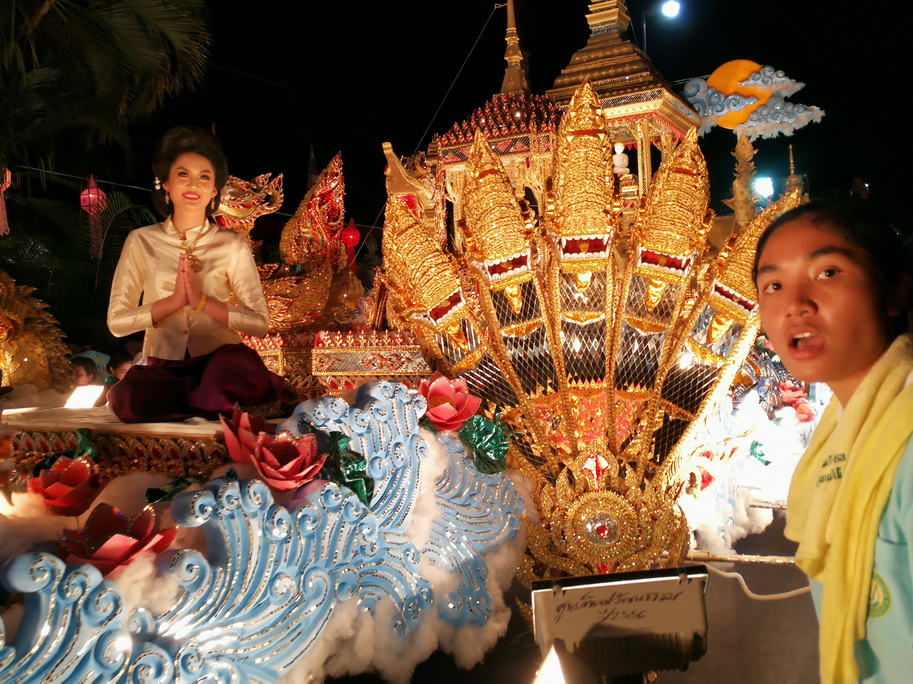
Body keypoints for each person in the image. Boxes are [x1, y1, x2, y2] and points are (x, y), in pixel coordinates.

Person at [753, 199, 913, 684]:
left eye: (827, 272)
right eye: (773, 285)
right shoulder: (840, 433)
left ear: (895, 291)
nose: (795, 303)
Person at [107, 125, 282, 422]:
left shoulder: (231, 243)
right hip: (165, 363)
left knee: (218, 391)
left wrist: (203, 302)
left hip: (221, 360)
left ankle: (209, 401)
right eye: (183, 174)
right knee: (132, 402)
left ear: (214, 190)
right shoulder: (141, 241)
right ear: (165, 183)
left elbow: (259, 323)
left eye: (204, 177)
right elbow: (116, 323)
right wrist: (172, 302)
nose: (193, 184)